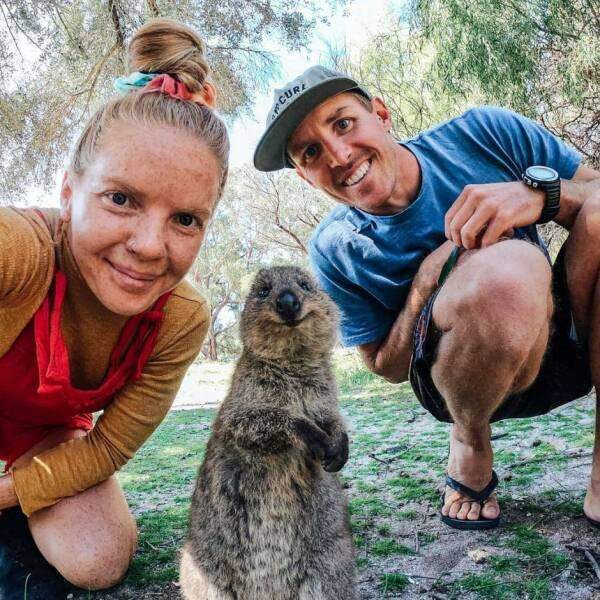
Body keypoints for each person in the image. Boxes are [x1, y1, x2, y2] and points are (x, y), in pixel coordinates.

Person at [253, 66, 600, 530]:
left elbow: (594, 196)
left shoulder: (485, 132)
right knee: (510, 270)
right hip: (459, 384)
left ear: (381, 114)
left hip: (567, 344)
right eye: (311, 152)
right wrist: (424, 284)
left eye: (343, 123)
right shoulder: (333, 248)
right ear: (304, 176)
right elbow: (386, 367)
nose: (338, 155)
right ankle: (471, 440)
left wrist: (542, 197)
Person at [0, 18, 229, 590]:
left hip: (39, 437)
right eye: (121, 198)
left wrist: (12, 492)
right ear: (69, 193)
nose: (150, 248)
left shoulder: (180, 317)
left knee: (98, 559)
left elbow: (107, 447)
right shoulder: (19, 253)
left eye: (185, 219)